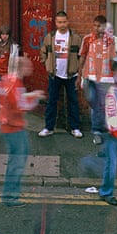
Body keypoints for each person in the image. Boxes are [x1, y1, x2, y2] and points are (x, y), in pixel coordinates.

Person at [0, 56, 44, 206]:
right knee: (17, 163)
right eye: (28, 67)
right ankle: (10, 197)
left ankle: (9, 195)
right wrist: (35, 98)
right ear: (21, 68)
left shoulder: (6, 80)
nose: (30, 69)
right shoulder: (16, 83)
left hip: (8, 125)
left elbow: (10, 99)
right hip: (14, 127)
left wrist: (30, 94)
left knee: (15, 161)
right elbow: (21, 106)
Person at [38, 10, 83, 139]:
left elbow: (81, 56)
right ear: (55, 23)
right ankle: (49, 127)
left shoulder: (75, 37)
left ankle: (75, 128)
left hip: (71, 75)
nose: (62, 24)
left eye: (64, 22)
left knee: (73, 101)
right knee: (52, 101)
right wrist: (47, 64)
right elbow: (43, 51)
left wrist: (78, 72)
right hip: (55, 75)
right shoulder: (51, 36)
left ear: (68, 22)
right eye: (59, 22)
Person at [77, 14, 117, 145]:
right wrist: (79, 75)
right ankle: (99, 128)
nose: (96, 28)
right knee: (93, 102)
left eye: (99, 26)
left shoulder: (111, 41)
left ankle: (98, 131)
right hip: (89, 76)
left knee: (102, 105)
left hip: (105, 78)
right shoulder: (87, 39)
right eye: (94, 25)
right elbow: (82, 57)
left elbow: (115, 59)